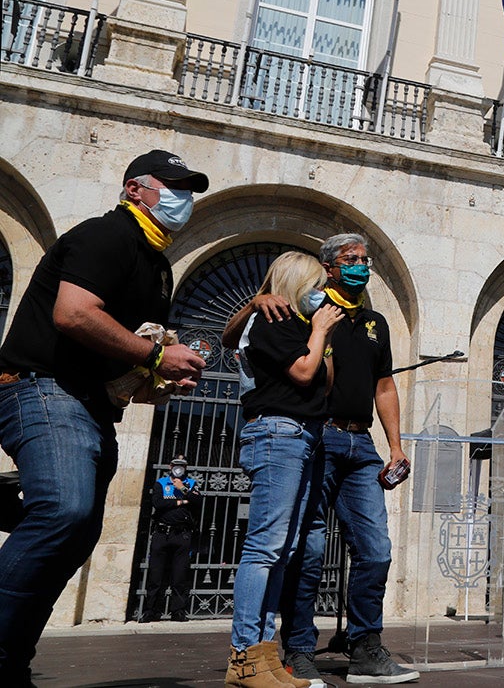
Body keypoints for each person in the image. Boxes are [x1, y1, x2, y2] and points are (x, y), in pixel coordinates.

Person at [0, 150, 209, 684]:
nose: (184, 197)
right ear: (135, 189)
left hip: (94, 407)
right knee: (63, 511)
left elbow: (126, 355)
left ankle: (10, 662)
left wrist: (158, 381)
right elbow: (72, 314)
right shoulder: (107, 235)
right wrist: (158, 357)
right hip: (44, 390)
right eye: (173, 185)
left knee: (75, 534)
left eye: (188, 187)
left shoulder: (158, 267)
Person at [223, 234, 417, 685]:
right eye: (351, 260)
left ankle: (366, 647)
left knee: (376, 549)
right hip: (313, 437)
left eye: (365, 260)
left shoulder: (374, 323)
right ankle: (298, 649)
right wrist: (259, 303)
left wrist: (395, 446)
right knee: (303, 551)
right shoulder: (298, 313)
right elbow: (237, 340)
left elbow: (383, 385)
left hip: (360, 443)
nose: (361, 266)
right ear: (327, 268)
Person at [225, 251, 341, 688]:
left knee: (287, 548)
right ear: (295, 285)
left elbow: (323, 380)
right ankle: (244, 656)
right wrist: (320, 330)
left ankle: (264, 654)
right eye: (314, 285)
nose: (321, 294)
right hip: (277, 433)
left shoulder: (297, 327)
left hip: (304, 435)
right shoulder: (273, 321)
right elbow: (304, 371)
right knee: (265, 547)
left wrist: (321, 336)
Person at [140, 453, 201, 623]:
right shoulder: (161, 483)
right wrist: (181, 502)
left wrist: (182, 489)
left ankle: (178, 611)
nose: (178, 468)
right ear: (170, 466)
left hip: (181, 534)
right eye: (176, 464)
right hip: (162, 534)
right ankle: (151, 610)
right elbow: (158, 503)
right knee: (155, 575)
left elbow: (198, 502)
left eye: (182, 465)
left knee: (180, 575)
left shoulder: (190, 484)